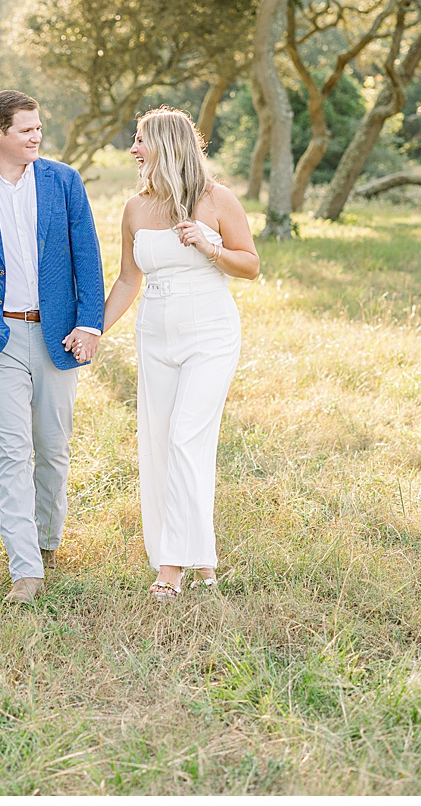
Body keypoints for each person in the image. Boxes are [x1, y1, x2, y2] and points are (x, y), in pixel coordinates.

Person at [0, 90, 106, 604]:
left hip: (58, 334)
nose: (37, 136)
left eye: (39, 127)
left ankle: (47, 541)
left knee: (52, 449)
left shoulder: (63, 182)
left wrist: (90, 324)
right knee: (11, 451)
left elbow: (87, 256)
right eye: (27, 129)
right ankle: (25, 569)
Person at [99, 107, 258, 600]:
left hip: (209, 335)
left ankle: (170, 570)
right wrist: (93, 332)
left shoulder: (216, 199)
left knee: (187, 440)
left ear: (166, 145)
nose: (133, 149)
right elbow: (129, 279)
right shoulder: (134, 208)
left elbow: (250, 265)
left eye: (140, 139)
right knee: (162, 446)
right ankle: (203, 560)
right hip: (156, 335)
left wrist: (209, 247)